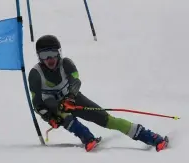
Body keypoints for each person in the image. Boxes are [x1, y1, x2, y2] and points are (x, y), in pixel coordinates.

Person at [28, 35, 168, 152]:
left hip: (74, 99)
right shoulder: (35, 74)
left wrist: (70, 98)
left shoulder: (66, 64)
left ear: (59, 53)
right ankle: (87, 137)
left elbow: (76, 82)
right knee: (63, 114)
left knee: (108, 120)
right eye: (44, 55)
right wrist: (48, 117)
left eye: (53, 54)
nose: (50, 59)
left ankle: (150, 137)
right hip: (54, 106)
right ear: (39, 57)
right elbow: (37, 103)